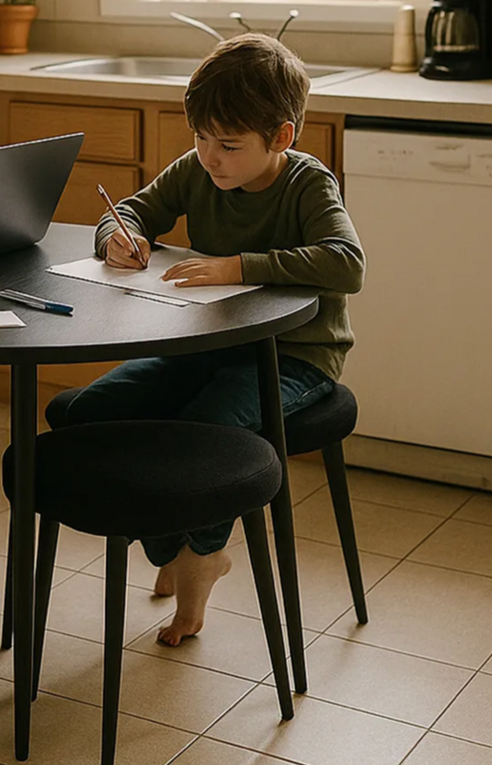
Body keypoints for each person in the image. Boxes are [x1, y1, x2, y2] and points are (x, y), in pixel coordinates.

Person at [63, 33, 365, 646]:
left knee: (208, 425)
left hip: (295, 358)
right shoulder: (198, 168)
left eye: (228, 145)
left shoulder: (307, 184)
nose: (210, 157)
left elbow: (347, 262)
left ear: (281, 137)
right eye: (200, 138)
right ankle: (172, 544)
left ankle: (200, 561)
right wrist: (119, 238)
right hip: (207, 347)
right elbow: (130, 210)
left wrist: (238, 266)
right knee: (91, 411)